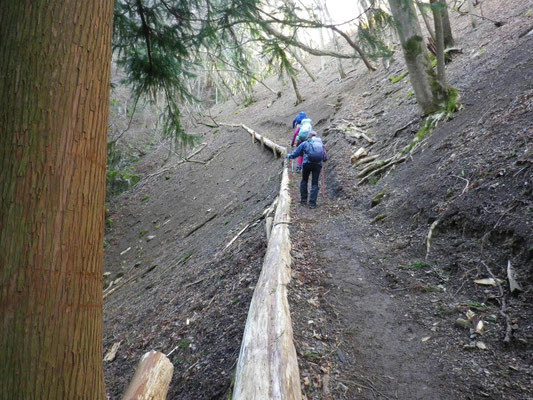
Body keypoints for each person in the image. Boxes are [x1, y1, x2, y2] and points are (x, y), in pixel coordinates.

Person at [286, 131, 327, 209]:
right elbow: (325, 158)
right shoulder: (321, 144)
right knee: (315, 183)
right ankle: (312, 203)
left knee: (304, 180)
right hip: (317, 165)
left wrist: (289, 156)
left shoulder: (305, 143)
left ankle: (304, 200)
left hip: (307, 164)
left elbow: (296, 154)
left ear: (309, 137)